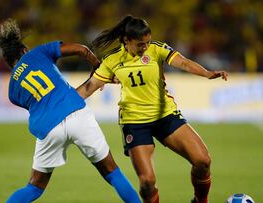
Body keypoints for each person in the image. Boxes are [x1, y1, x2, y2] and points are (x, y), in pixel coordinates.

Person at [77, 15, 228, 203]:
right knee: (147, 182)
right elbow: (88, 87)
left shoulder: (157, 49)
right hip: (135, 123)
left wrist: (206, 73)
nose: (145, 47)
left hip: (165, 116)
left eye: (147, 42)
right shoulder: (112, 60)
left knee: (203, 161)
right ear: (127, 40)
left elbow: (184, 62)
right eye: (141, 44)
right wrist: (62, 104)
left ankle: (200, 201)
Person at [0, 18, 141, 203]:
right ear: (24, 50)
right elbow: (81, 49)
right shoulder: (38, 52)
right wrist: (97, 66)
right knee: (113, 174)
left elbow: (40, 102)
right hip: (76, 113)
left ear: (10, 64)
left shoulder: (12, 91)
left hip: (48, 128)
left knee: (33, 188)